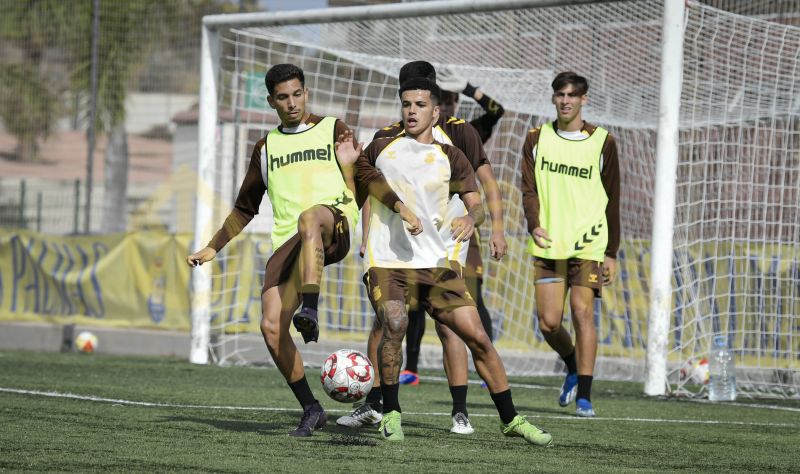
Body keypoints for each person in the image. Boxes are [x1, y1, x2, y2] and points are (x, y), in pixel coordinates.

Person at [186, 63, 412, 437]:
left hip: (332, 221)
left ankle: (310, 308)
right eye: (282, 97)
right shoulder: (266, 147)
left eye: (297, 94)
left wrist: (398, 206)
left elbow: (365, 174)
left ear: (306, 92)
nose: (291, 103)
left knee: (309, 218)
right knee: (271, 326)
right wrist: (214, 247)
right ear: (271, 101)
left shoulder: (334, 128)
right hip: (289, 244)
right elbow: (245, 207)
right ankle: (311, 408)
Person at [346, 76, 551, 445]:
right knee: (394, 322)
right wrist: (400, 208)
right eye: (406, 104)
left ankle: (511, 418)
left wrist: (472, 219)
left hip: (436, 264)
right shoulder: (381, 147)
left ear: (436, 111)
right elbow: (366, 180)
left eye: (420, 105)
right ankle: (391, 412)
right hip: (388, 262)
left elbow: (477, 203)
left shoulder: (451, 156)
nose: (412, 111)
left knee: (478, 338)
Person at [521, 71, 620, 417]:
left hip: (589, 243)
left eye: (572, 95)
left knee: (582, 314)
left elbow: (612, 199)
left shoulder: (603, 141)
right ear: (553, 98)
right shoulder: (536, 138)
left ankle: (585, 397)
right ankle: (572, 366)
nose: (565, 100)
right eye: (560, 94)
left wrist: (611, 252)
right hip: (549, 244)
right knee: (548, 323)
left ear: (583, 99)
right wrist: (533, 224)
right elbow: (529, 189)